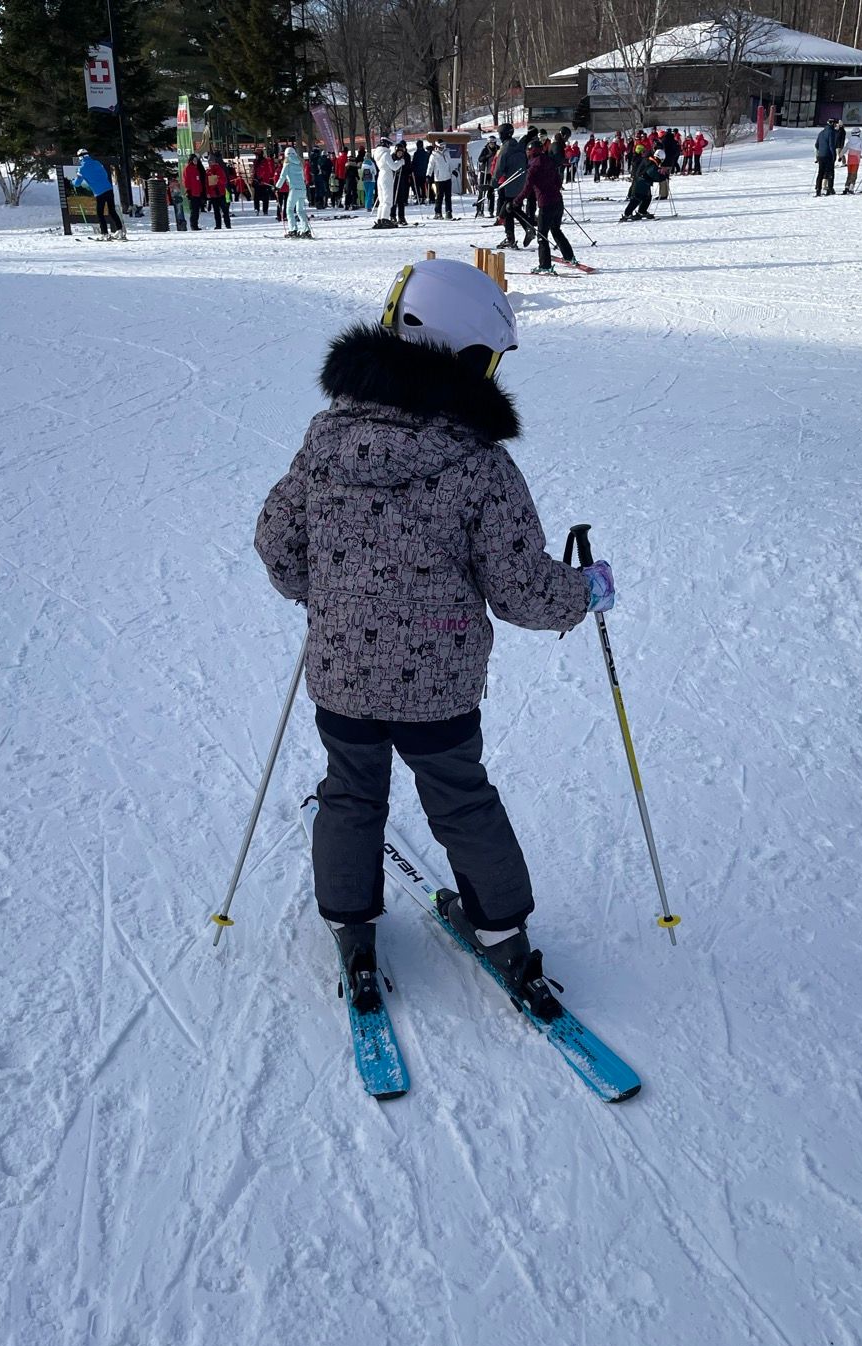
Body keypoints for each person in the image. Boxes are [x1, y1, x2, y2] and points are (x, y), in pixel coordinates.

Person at [254, 257, 614, 1015]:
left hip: (345, 675)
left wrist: (323, 593)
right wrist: (583, 593)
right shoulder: (480, 464)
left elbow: (279, 544)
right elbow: (520, 588)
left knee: (351, 791)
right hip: (439, 688)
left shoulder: (326, 442)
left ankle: (351, 923)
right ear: (465, 354)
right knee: (460, 797)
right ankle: (500, 928)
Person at [517, 131, 576, 274]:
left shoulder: (533, 168)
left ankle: (545, 265)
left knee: (542, 235)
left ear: (530, 152)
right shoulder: (549, 161)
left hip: (546, 204)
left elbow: (527, 189)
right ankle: (569, 256)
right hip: (558, 201)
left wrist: (516, 202)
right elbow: (558, 181)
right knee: (556, 230)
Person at [492, 123, 531, 249]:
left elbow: (499, 166)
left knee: (510, 208)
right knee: (512, 208)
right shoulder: (519, 146)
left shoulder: (506, 148)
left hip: (509, 183)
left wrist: (494, 181)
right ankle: (512, 237)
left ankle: (526, 228)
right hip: (520, 182)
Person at [72, 148, 125, 239]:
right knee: (112, 211)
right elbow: (105, 174)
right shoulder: (97, 163)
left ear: (80, 157)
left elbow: (77, 183)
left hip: (99, 192)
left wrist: (72, 181)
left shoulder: (81, 169)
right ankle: (120, 231)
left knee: (100, 213)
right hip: (108, 189)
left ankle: (105, 234)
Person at [276, 143, 312, 237]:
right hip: (302, 189)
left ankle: (293, 230)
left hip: (294, 189)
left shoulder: (287, 164)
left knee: (289, 210)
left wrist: (277, 187)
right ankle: (306, 230)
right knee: (300, 210)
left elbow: (282, 176)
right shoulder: (300, 164)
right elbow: (303, 177)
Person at [620, 148, 661, 220]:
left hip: (644, 182)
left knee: (647, 197)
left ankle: (642, 211)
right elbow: (652, 174)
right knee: (637, 197)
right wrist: (662, 177)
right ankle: (627, 213)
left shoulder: (650, 160)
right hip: (640, 181)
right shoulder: (651, 162)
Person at [429, 138, 455, 218]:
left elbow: (450, 163)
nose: (442, 148)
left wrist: (453, 171)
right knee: (439, 197)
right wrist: (428, 175)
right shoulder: (434, 155)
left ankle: (448, 212)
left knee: (448, 196)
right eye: (441, 146)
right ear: (437, 146)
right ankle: (438, 212)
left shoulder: (447, 153)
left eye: (443, 146)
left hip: (447, 177)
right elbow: (430, 166)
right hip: (439, 179)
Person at [814, 118, 838, 197]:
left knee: (820, 173)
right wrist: (834, 156)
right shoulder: (831, 132)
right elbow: (831, 145)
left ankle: (818, 189)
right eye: (835, 123)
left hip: (821, 156)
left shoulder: (821, 132)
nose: (836, 125)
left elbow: (816, 145)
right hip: (828, 155)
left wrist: (820, 151)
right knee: (830, 172)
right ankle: (830, 189)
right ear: (832, 124)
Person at [475, 136, 499, 215]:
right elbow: (480, 159)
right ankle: (479, 209)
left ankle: (491, 210)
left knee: (491, 192)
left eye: (493, 143)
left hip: (493, 173)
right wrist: (487, 156)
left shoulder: (498, 149)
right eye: (490, 143)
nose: (491, 144)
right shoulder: (485, 150)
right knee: (482, 191)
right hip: (484, 172)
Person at [390, 141, 412, 225]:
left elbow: (408, 167)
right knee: (393, 199)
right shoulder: (392, 157)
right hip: (394, 180)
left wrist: (409, 170)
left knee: (401, 200)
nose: (399, 154)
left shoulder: (405, 157)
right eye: (398, 152)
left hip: (402, 180)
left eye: (401, 152)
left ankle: (401, 217)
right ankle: (392, 216)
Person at [183, 151, 206, 228]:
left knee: (197, 210)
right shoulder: (188, 168)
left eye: (196, 160)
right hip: (192, 192)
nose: (196, 161)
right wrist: (188, 190)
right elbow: (186, 180)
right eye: (194, 160)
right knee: (194, 210)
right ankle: (193, 226)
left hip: (198, 192)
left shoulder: (196, 168)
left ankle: (195, 225)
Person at [206, 154, 230, 227]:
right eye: (209, 162)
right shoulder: (208, 172)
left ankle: (228, 224)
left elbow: (224, 180)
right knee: (216, 211)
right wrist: (208, 193)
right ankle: (218, 225)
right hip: (213, 194)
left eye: (211, 161)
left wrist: (217, 179)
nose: (210, 163)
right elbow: (206, 184)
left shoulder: (219, 169)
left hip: (221, 193)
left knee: (225, 210)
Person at [843, 126, 862, 192]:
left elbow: (845, 149)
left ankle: (846, 187)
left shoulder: (850, 140)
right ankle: (851, 188)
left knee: (849, 173)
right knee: (854, 174)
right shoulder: (860, 140)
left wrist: (840, 155)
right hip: (856, 160)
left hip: (849, 159)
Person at [252, 146, 275, 214]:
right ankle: (256, 209)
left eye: (257, 154)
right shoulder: (255, 161)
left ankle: (265, 210)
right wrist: (253, 179)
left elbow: (267, 171)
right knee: (256, 197)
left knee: (265, 197)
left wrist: (261, 178)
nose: (256, 156)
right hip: (256, 181)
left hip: (264, 182)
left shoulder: (266, 161)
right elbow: (254, 171)